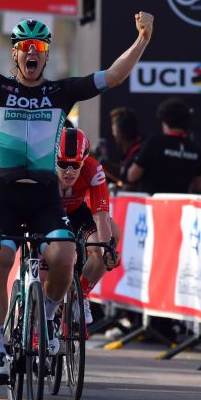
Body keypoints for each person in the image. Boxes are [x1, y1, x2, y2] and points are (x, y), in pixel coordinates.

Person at [0, 0, 153, 385]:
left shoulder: (61, 93)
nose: (32, 53)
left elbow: (114, 76)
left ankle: (50, 318)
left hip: (43, 194)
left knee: (65, 255)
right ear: (16, 54)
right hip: (4, 192)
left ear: (46, 55)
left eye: (39, 48)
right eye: (25, 48)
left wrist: (142, 39)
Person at [56, 127, 121, 324]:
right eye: (63, 164)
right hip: (50, 213)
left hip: (77, 213)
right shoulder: (43, 169)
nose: (69, 172)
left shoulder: (94, 170)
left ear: (84, 161)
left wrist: (107, 249)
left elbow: (101, 217)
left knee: (107, 242)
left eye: (75, 165)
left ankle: (80, 296)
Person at [127, 97, 201, 194]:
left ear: (164, 122)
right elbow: (198, 186)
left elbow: (132, 176)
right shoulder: (195, 149)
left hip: (152, 205)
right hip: (179, 205)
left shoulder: (154, 143)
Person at [109, 107, 144, 191]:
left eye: (114, 130)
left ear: (119, 132)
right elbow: (123, 174)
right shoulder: (135, 150)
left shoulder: (140, 152)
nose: (113, 134)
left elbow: (129, 187)